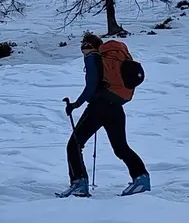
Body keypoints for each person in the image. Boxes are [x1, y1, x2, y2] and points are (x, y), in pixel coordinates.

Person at [59, 33, 149, 197]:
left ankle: (79, 183)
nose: (83, 49)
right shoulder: (109, 59)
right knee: (120, 147)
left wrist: (75, 105)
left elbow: (92, 85)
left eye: (84, 45)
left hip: (99, 106)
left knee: (74, 144)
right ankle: (141, 178)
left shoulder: (93, 58)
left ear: (89, 46)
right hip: (115, 106)